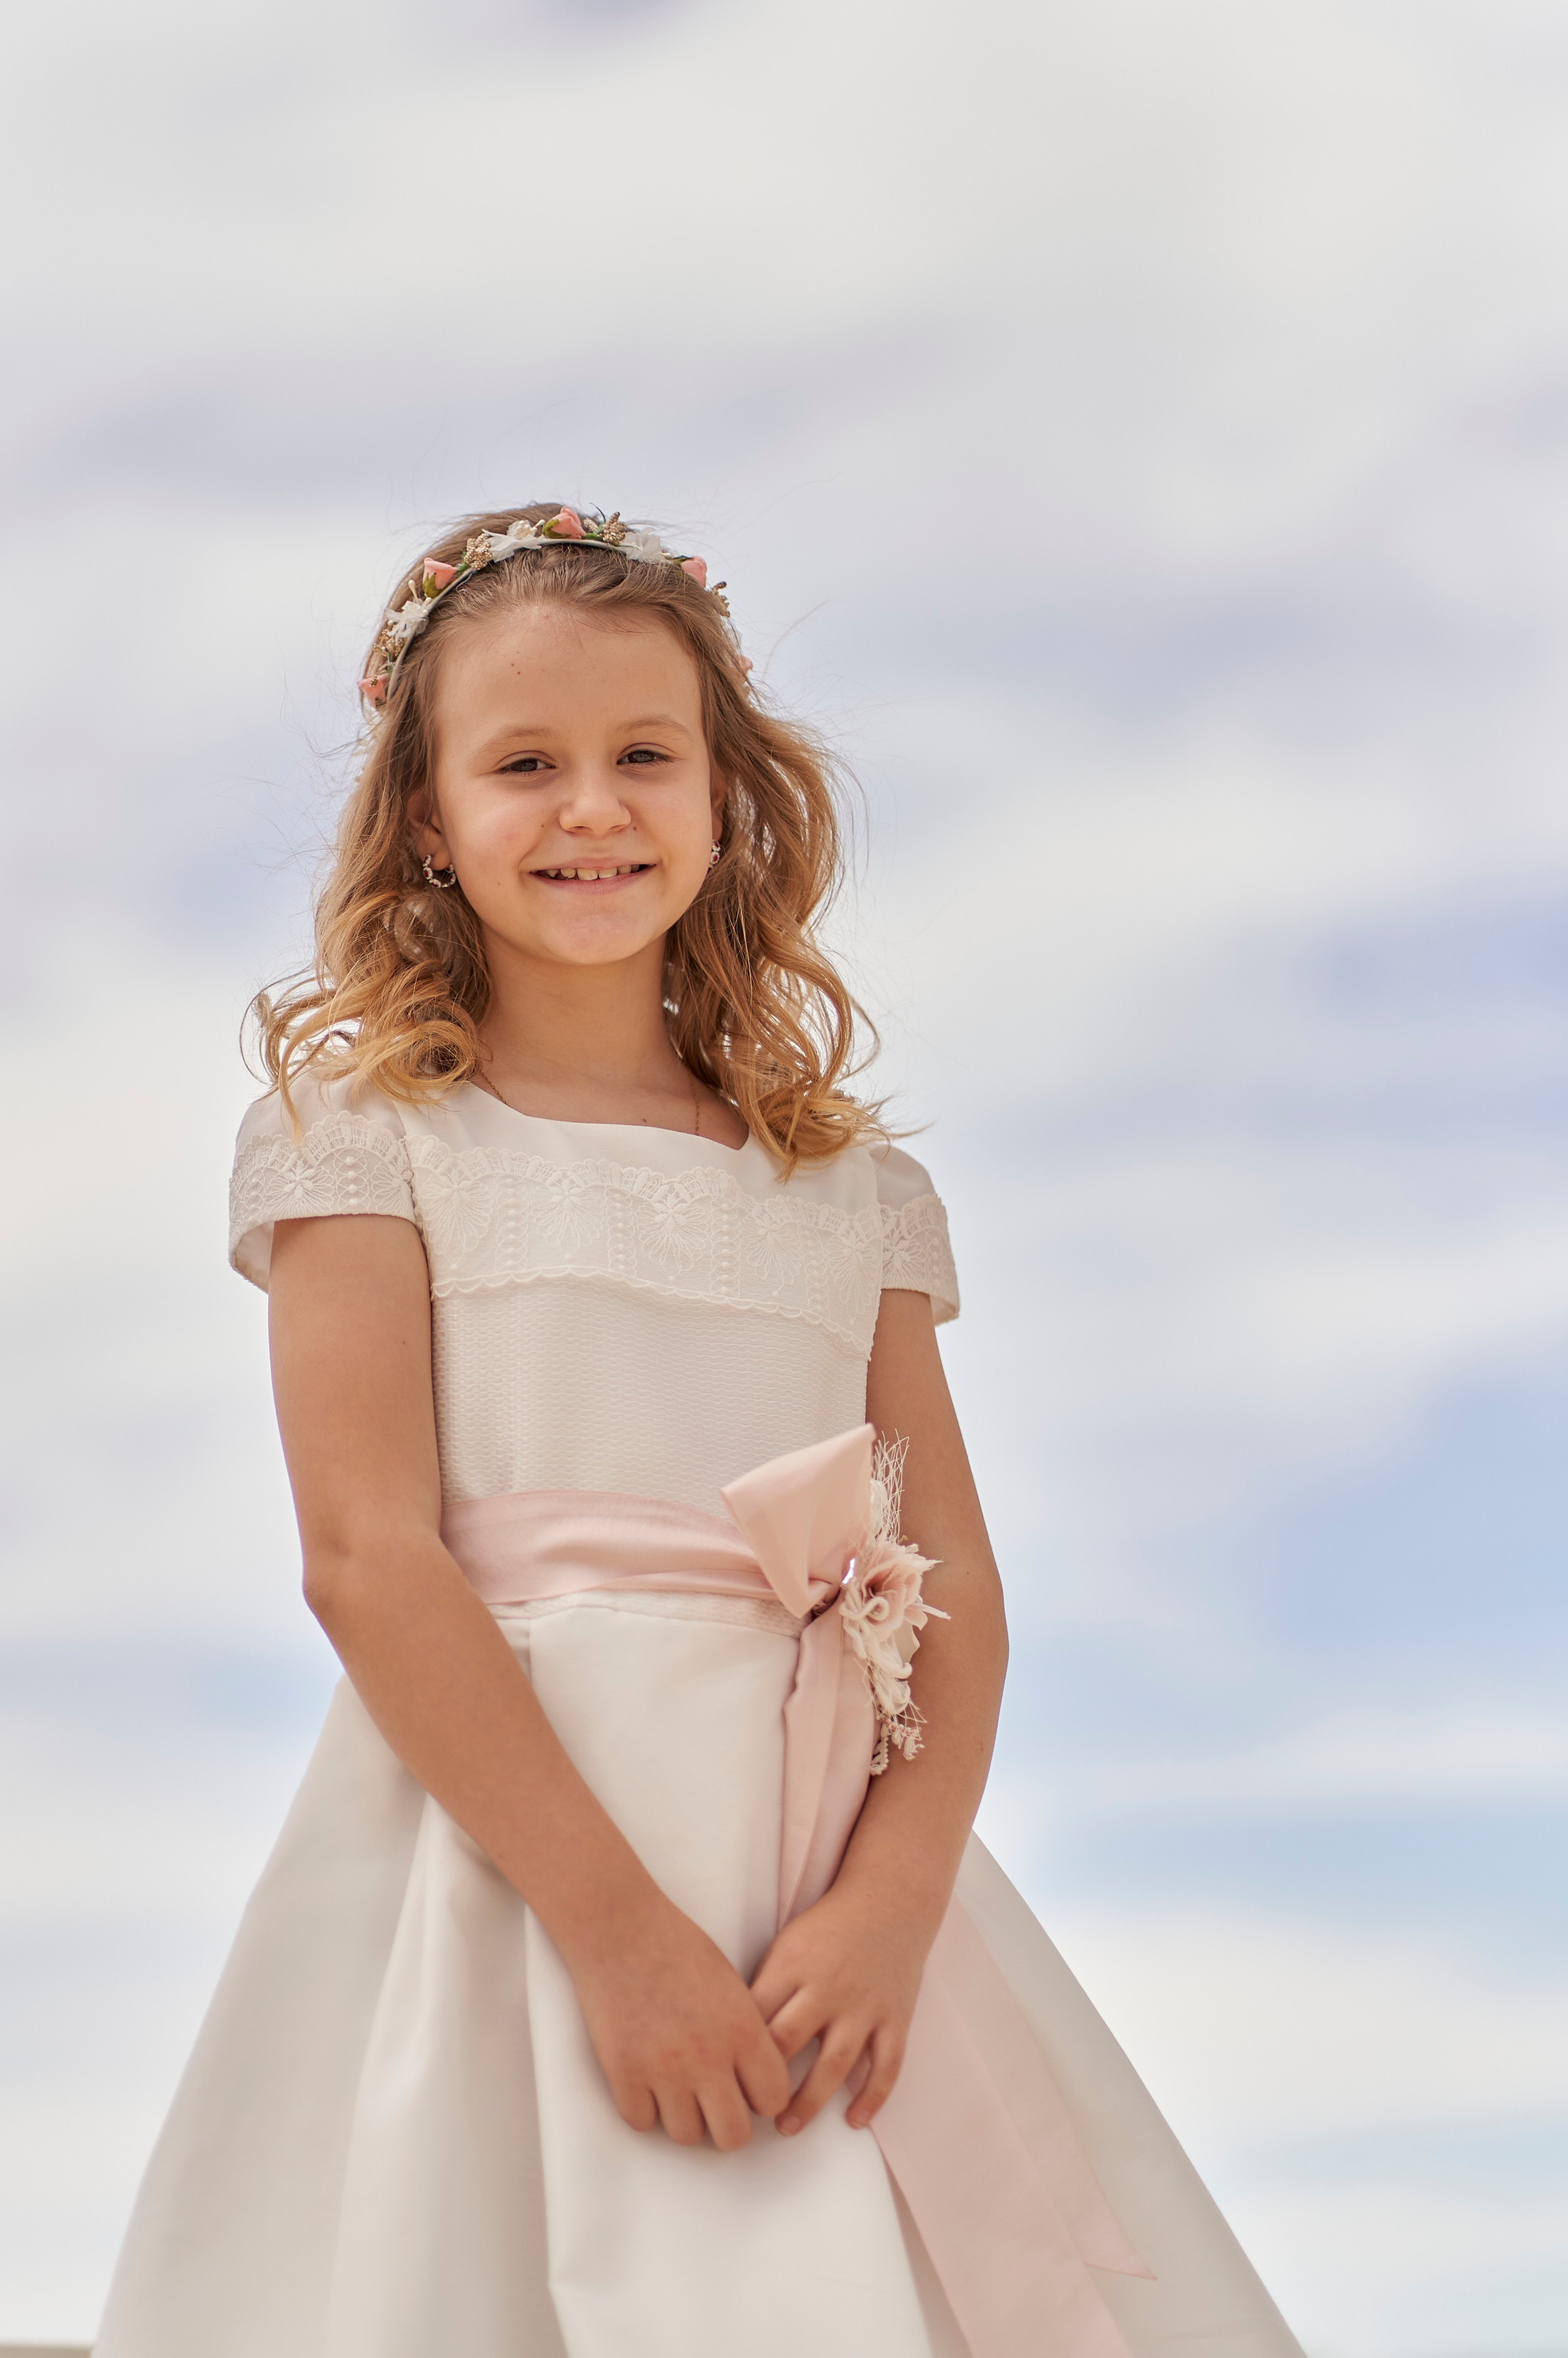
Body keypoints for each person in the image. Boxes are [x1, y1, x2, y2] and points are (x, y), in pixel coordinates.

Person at [92, 504, 1304, 2357]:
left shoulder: (844, 1184)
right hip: (514, 1877)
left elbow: (947, 1568)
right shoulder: (369, 1142)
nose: (594, 808)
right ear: (428, 819)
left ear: (726, 794)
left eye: (646, 756)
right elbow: (367, 1556)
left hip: (817, 1871)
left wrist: (893, 1908)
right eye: (524, 765)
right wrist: (621, 1940)